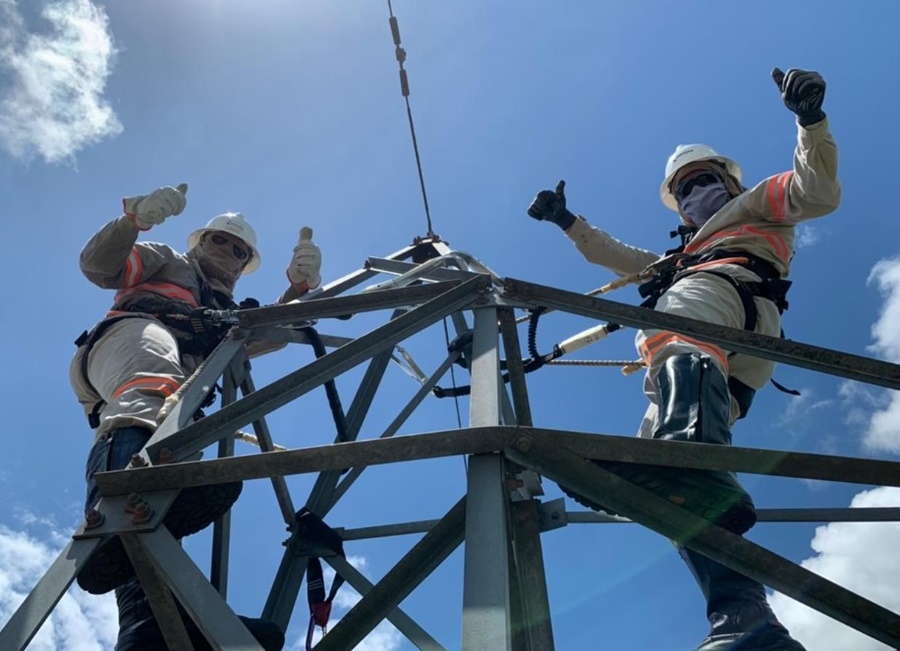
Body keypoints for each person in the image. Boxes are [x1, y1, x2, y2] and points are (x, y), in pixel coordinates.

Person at [526, 68, 840, 650]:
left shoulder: (755, 206)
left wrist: (810, 123)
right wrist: (568, 222)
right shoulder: (681, 254)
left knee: (667, 329)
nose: (697, 192)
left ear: (725, 178)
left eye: (704, 180)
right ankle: (745, 621)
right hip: (733, 358)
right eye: (686, 187)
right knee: (667, 492)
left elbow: (815, 189)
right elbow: (616, 256)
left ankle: (684, 463)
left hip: (727, 300)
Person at [70, 182, 323, 650]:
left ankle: (158, 615)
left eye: (239, 250)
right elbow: (100, 266)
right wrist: (134, 221)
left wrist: (299, 293)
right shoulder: (167, 260)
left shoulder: (225, 316)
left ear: (246, 266)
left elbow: (275, 333)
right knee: (154, 385)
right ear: (200, 241)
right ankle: (112, 511)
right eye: (219, 240)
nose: (228, 250)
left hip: (166, 398)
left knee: (167, 487)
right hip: (126, 344)